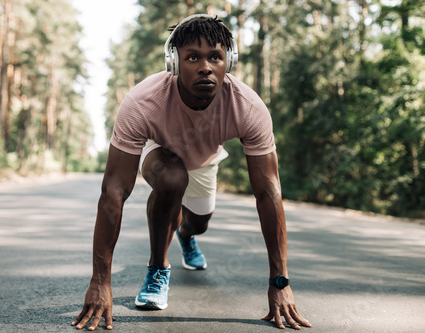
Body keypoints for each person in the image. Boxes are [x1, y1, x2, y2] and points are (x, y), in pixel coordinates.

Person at [71, 14, 311, 331]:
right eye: (192, 57)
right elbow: (113, 192)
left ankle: (186, 236)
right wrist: (100, 281)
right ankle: (158, 267)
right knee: (172, 179)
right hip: (159, 151)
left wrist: (280, 282)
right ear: (174, 62)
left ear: (230, 61)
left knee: (199, 223)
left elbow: (268, 192)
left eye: (215, 57)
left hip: (205, 160)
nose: (205, 67)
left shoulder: (247, 107)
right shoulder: (143, 102)